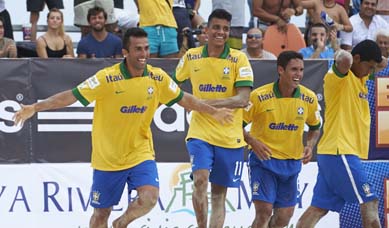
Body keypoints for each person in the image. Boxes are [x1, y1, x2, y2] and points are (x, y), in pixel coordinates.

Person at [12, 27, 234, 228]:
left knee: (149, 198)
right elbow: (69, 96)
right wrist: (35, 107)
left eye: (146, 48)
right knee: (100, 214)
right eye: (138, 49)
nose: (144, 54)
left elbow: (185, 99)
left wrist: (213, 111)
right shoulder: (107, 78)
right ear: (125, 52)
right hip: (108, 159)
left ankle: (121, 223)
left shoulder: (157, 77)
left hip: (140, 153)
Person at [173, 9, 254, 228]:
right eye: (216, 27)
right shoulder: (192, 56)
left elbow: (242, 99)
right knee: (200, 181)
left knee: (219, 194)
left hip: (229, 135)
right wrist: (188, 102)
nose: (221, 32)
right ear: (206, 30)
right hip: (200, 132)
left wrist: (202, 104)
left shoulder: (239, 58)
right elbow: (173, 89)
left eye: (225, 29)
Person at [296, 40, 384, 228]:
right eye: (369, 67)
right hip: (340, 151)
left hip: (336, 153)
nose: (371, 72)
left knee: (318, 209)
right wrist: (338, 47)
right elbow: (344, 59)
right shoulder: (338, 79)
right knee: (370, 201)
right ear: (357, 59)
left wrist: (373, 58)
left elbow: (381, 62)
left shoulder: (361, 79)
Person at [243, 51, 321, 228]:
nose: (298, 74)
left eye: (301, 70)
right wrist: (253, 142)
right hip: (264, 162)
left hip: (292, 164)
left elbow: (315, 127)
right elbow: (235, 126)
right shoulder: (259, 96)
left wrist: (309, 145)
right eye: (294, 69)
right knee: (264, 212)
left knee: (283, 219)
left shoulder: (309, 98)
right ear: (280, 70)